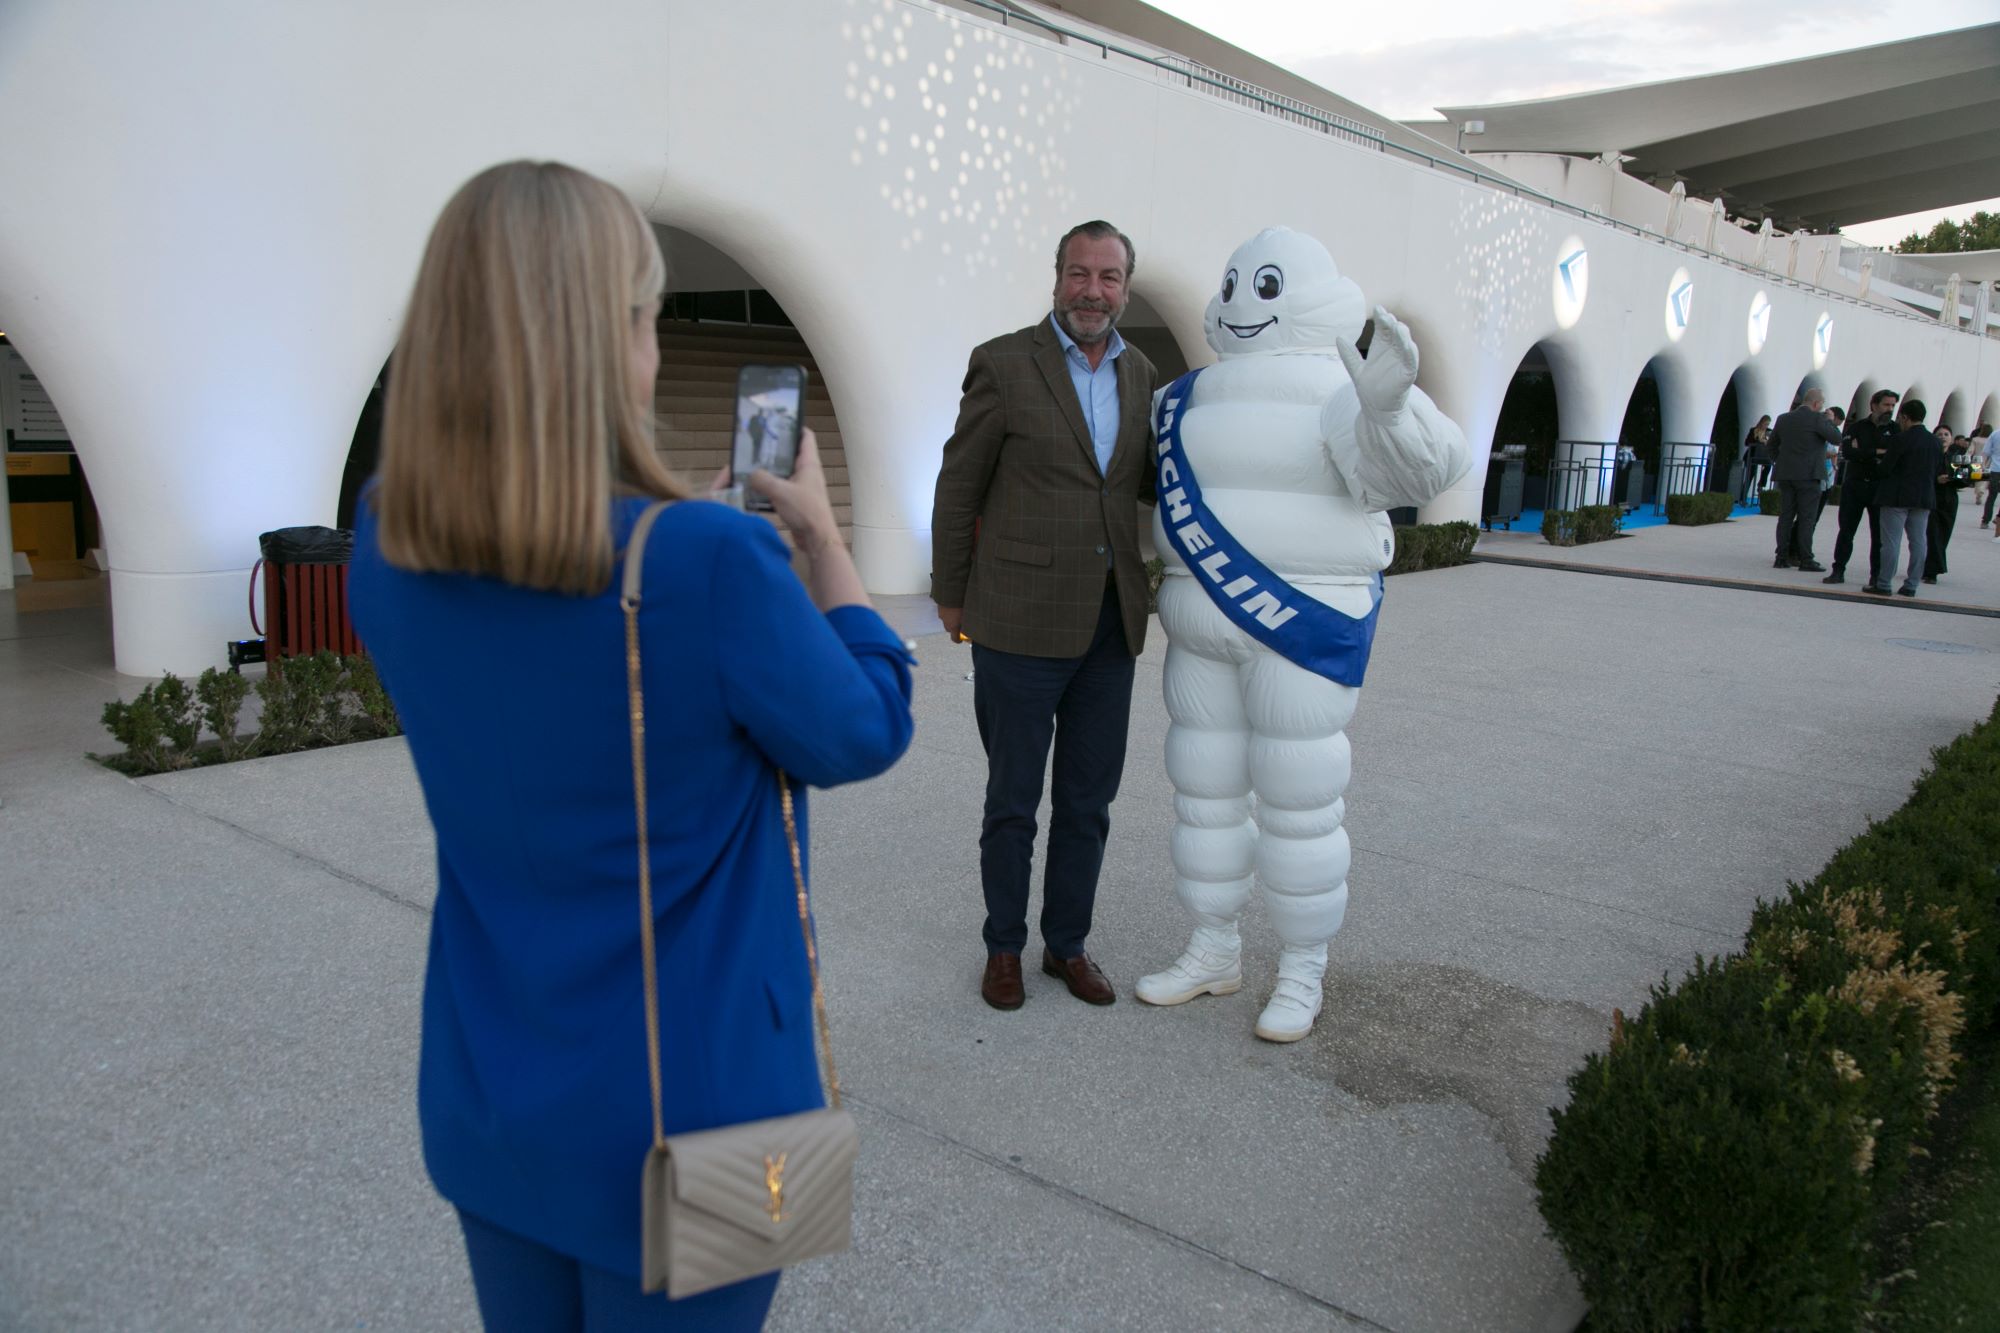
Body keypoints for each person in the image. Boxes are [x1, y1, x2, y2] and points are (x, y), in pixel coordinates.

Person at [348, 161, 915, 1331]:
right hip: (703, 1119)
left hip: (489, 1093)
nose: (655, 347)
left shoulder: (382, 537)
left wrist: (698, 553)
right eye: (648, 317)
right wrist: (813, 546)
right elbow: (867, 725)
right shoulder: (710, 565)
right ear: (602, 341)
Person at [1133, 227, 1470, 1042]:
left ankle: (1302, 966)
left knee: (1299, 803)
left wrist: (1389, 407)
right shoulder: (1183, 397)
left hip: (1302, 630)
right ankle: (1214, 947)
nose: (1248, 302)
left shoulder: (1346, 389)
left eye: (1270, 287)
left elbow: (1426, 473)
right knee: (1204, 795)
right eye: (1240, 284)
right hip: (1198, 624)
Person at [930, 220, 1160, 1012]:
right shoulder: (1002, 363)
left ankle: (1067, 944)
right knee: (1013, 801)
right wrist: (952, 597)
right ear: (1056, 277)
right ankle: (1003, 947)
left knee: (1089, 802)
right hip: (1018, 623)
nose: (1092, 290)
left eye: (1108, 277)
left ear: (1126, 287)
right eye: (1079, 273)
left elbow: (1142, 487)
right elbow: (959, 487)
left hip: (1109, 626)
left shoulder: (1143, 375)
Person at [1867, 398, 1943, 598]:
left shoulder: (1900, 439)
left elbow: (1885, 469)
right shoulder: (1935, 442)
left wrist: (1876, 464)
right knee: (1918, 542)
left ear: (1906, 417)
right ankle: (1911, 585)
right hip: (1923, 497)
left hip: (1896, 496)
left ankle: (1883, 583)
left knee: (1891, 542)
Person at [1826, 389, 1896, 586]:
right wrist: (1877, 452)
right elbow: (1848, 452)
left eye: (1892, 405)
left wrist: (1864, 451)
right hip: (1855, 485)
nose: (1889, 409)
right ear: (1874, 405)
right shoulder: (1856, 427)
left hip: (1879, 487)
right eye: (1886, 405)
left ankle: (1876, 575)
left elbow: (1893, 456)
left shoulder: (1896, 430)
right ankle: (1838, 570)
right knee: (1846, 530)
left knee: (1879, 535)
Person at [1769, 388, 1840, 571]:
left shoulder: (1783, 418)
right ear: (1817, 404)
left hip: (1786, 474)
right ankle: (1805, 558)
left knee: (1785, 516)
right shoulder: (1818, 419)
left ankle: (1781, 557)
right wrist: (1830, 421)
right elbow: (1836, 438)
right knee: (1806, 518)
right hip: (1809, 476)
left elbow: (1771, 445)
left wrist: (1781, 461)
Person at [1924, 433, 1971, 582]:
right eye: (1939, 434)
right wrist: (1936, 479)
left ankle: (1929, 568)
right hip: (1931, 498)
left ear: (1951, 439)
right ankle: (1932, 572)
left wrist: (1954, 478)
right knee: (1932, 534)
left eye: (1946, 434)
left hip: (1949, 499)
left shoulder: (1956, 457)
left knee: (1943, 535)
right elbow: (1921, 476)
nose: (1942, 437)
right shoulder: (1929, 455)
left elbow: (1964, 481)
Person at [1744, 415, 1773, 499]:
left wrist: (1767, 442)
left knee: (1768, 465)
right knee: (1750, 474)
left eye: (1768, 424)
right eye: (1765, 424)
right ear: (1761, 423)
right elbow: (1746, 443)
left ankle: (1761, 484)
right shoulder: (1754, 430)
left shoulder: (1769, 432)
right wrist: (1758, 441)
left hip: (1763, 456)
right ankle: (1743, 496)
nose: (1766, 426)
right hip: (1752, 456)